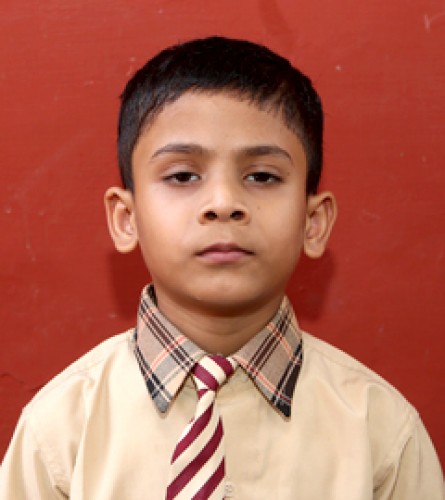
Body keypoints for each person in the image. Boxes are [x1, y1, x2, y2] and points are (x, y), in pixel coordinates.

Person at [0, 36, 443, 500]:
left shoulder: (381, 435)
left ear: (313, 222)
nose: (224, 202)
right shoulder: (60, 434)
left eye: (262, 176)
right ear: (126, 218)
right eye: (182, 176)